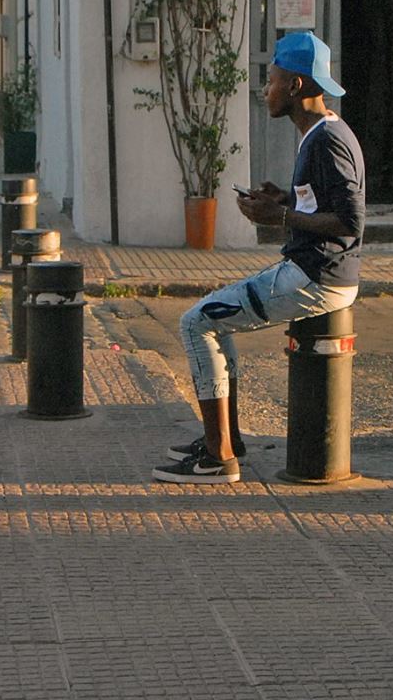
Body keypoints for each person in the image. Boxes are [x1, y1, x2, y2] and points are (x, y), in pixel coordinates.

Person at [153, 31, 366, 485]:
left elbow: (350, 221)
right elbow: (321, 204)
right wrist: (284, 199)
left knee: (197, 322)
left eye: (271, 80)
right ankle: (225, 438)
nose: (264, 90)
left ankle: (218, 457)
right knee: (212, 318)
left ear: (295, 86)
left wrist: (281, 215)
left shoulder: (327, 139)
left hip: (316, 279)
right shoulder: (323, 132)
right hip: (313, 271)